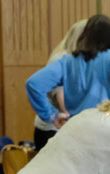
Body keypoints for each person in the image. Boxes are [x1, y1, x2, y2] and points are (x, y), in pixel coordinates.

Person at [25, 14, 110, 136]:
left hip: (76, 133)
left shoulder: (67, 62)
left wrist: (51, 116)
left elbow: (33, 84)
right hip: (109, 130)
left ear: (84, 37)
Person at [33, 19, 88, 150]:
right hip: (53, 130)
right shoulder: (61, 59)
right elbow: (65, 104)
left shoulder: (80, 61)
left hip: (65, 128)